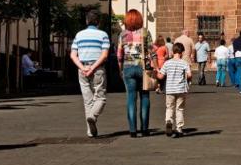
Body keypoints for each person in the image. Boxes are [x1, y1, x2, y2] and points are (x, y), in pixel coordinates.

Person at [70, 10, 110, 138]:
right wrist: (93, 67)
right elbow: (104, 55)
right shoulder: (103, 35)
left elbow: (72, 55)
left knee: (87, 101)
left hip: (82, 68)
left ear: (86, 21)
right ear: (98, 22)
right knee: (101, 98)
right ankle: (93, 116)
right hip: (97, 68)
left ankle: (90, 131)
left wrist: (83, 67)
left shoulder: (79, 35)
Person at [117, 8, 152, 137]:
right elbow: (150, 51)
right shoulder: (145, 33)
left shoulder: (123, 34)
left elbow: (119, 54)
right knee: (145, 97)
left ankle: (132, 130)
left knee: (131, 98)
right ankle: (144, 129)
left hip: (128, 67)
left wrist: (120, 68)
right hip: (142, 67)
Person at [157, 42, 191, 138]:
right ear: (182, 52)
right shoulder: (184, 63)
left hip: (170, 89)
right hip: (181, 89)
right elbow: (189, 75)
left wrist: (157, 72)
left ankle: (169, 121)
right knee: (179, 109)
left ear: (173, 51)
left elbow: (161, 76)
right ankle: (179, 128)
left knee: (169, 107)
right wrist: (188, 81)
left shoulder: (167, 63)